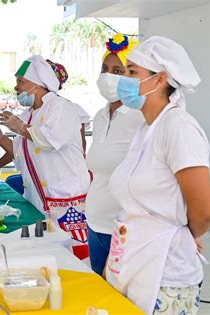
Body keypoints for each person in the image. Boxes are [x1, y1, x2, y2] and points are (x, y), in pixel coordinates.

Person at [104, 36, 210, 315]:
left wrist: (180, 234)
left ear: (159, 80)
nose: (123, 80)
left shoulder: (178, 127)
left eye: (132, 72)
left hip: (166, 272)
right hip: (134, 257)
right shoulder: (146, 129)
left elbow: (204, 212)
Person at [0, 55, 91, 259]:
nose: (16, 87)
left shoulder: (60, 107)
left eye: (21, 82)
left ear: (39, 85)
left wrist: (21, 128)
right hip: (39, 198)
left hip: (65, 199)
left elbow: (51, 140)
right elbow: (19, 152)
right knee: (49, 255)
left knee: (74, 256)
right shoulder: (30, 113)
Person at [86, 34, 144, 275]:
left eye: (118, 70)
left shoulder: (141, 118)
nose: (108, 76)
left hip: (125, 228)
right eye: (104, 68)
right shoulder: (100, 116)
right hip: (95, 222)